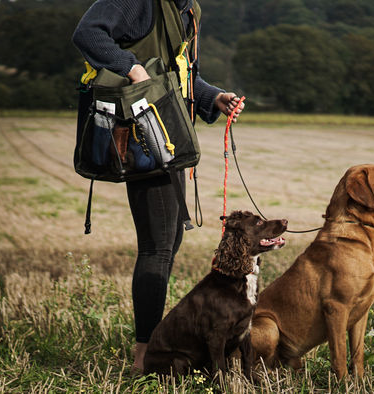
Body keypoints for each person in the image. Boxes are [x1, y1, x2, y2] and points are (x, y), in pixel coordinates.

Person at [72, 0, 243, 373]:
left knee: (167, 246)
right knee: (157, 248)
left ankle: (154, 347)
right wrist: (131, 68)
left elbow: (178, 74)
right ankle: (143, 357)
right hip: (142, 138)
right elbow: (87, 33)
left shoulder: (187, 8)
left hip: (169, 136)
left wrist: (212, 96)